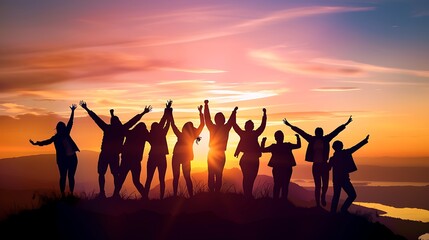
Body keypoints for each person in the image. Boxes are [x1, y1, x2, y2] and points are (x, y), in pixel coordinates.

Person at [79, 100, 148, 198]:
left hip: (105, 154)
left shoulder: (107, 128)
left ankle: (103, 193)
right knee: (115, 174)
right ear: (118, 122)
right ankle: (116, 194)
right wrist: (143, 113)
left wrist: (86, 109)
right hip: (114, 155)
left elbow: (96, 119)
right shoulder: (122, 129)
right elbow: (133, 121)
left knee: (102, 173)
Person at [283, 116, 352, 207]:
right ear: (316, 133)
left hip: (324, 165)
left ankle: (323, 196)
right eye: (318, 132)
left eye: (320, 132)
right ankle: (318, 204)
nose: (319, 134)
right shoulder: (312, 139)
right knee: (318, 185)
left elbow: (336, 131)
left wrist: (346, 124)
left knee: (325, 185)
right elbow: (301, 132)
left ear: (322, 133)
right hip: (316, 165)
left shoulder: (326, 139)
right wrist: (290, 125)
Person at [29, 104, 80, 198]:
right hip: (64, 160)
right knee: (64, 177)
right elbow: (46, 142)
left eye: (62, 128)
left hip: (71, 159)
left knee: (70, 177)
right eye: (60, 128)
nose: (61, 129)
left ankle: (70, 194)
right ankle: (63, 195)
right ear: (59, 129)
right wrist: (36, 143)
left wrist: (73, 111)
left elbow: (70, 122)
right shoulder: (57, 137)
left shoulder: (64, 134)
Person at [112, 106, 152, 199]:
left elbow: (124, 126)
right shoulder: (144, 136)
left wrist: (143, 113)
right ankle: (145, 197)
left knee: (121, 179)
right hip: (135, 161)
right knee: (136, 181)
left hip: (126, 160)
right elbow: (153, 140)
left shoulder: (130, 133)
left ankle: (115, 196)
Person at [328, 135, 369, 214]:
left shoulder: (332, 158)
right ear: (340, 146)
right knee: (352, 195)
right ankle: (343, 209)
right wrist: (364, 141)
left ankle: (333, 212)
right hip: (344, 179)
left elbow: (328, 168)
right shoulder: (345, 153)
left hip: (337, 180)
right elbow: (355, 147)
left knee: (336, 196)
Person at [203, 99, 238, 193]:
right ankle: (214, 192)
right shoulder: (222, 128)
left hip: (215, 153)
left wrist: (234, 112)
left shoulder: (215, 127)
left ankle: (215, 192)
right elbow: (207, 118)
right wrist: (206, 106)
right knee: (215, 174)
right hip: (216, 153)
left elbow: (207, 119)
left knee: (215, 174)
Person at [170, 105, 204, 197]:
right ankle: (191, 196)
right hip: (185, 158)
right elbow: (202, 125)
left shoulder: (180, 135)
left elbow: (173, 125)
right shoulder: (192, 136)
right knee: (186, 177)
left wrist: (170, 113)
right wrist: (200, 112)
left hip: (177, 157)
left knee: (177, 178)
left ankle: (175, 196)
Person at [233, 108, 267, 199]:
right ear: (251, 127)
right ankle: (248, 194)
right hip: (252, 159)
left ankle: (247, 194)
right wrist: (264, 114)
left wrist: (234, 113)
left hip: (247, 158)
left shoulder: (244, 134)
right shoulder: (254, 134)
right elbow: (262, 126)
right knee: (250, 177)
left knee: (248, 177)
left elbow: (235, 125)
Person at [143, 100, 172, 200]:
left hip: (152, 157)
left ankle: (145, 197)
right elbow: (164, 122)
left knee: (149, 179)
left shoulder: (151, 136)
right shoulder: (162, 133)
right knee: (161, 179)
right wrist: (168, 111)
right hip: (161, 158)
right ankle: (161, 198)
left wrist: (167, 111)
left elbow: (163, 122)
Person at [261, 131, 301, 201]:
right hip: (286, 168)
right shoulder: (287, 145)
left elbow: (262, 150)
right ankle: (282, 200)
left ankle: (277, 200)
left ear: (275, 138)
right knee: (284, 185)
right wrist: (298, 138)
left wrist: (263, 142)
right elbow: (298, 145)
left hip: (279, 168)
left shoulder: (274, 146)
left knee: (278, 184)